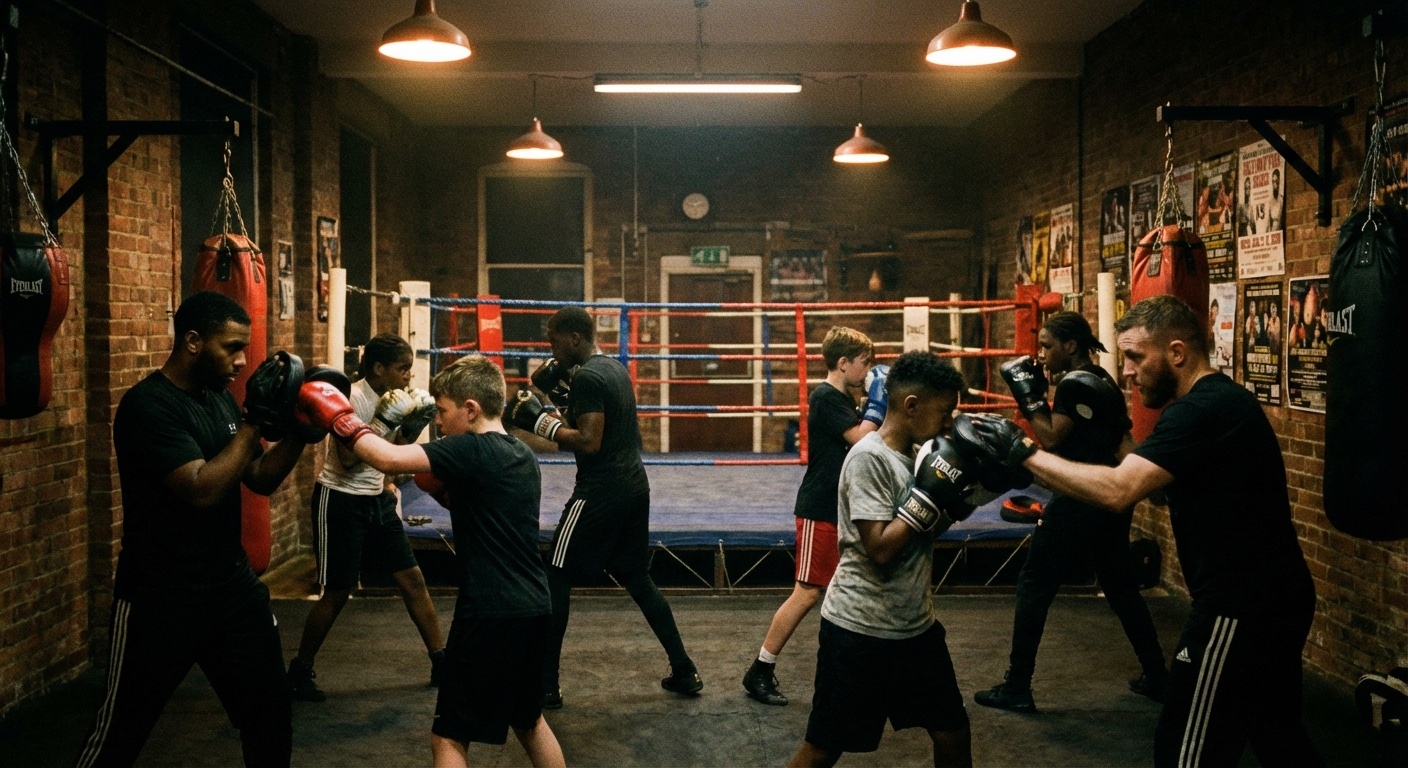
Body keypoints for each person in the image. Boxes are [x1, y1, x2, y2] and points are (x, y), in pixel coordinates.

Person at [955, 295, 1323, 767]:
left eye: (1135, 357)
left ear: (1176, 352)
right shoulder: (1211, 406)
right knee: (1279, 739)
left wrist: (1022, 451)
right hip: (1271, 596)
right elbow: (1149, 480)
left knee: (1184, 751)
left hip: (1240, 606)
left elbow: (1119, 491)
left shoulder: (1203, 410)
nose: (1126, 371)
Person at [295, 354, 565, 768]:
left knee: (449, 738)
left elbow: (386, 459)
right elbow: (480, 503)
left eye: (443, 412)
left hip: (488, 613)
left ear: (471, 409)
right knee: (528, 721)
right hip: (533, 606)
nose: (438, 422)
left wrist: (339, 415)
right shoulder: (521, 455)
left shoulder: (470, 449)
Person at [75, 291, 308, 767]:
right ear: (194, 341)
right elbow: (201, 488)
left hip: (231, 592)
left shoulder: (219, 400)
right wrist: (253, 424)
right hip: (160, 598)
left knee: (270, 715)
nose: (242, 361)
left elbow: (258, 479)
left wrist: (301, 432)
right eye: (231, 347)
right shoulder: (149, 407)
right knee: (120, 734)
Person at [973, 312, 1166, 713]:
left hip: (1079, 497)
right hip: (1110, 494)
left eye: (1046, 346)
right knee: (1120, 586)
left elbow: (1050, 438)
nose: (1040, 354)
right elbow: (1117, 434)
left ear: (1070, 346)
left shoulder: (1075, 384)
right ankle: (1158, 675)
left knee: (1034, 584)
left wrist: (1029, 398)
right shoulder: (1102, 378)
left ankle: (1017, 685)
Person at [789, 351, 975, 768]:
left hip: (914, 626)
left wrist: (964, 500)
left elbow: (923, 532)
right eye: (944, 411)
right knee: (824, 747)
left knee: (952, 729)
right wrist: (928, 497)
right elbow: (881, 548)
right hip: (859, 632)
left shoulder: (917, 456)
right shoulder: (869, 458)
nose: (948, 422)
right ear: (911, 405)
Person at [510, 305, 701, 708]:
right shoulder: (612, 370)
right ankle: (684, 669)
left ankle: (546, 684)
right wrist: (560, 396)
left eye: (554, 340)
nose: (550, 348)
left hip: (600, 491)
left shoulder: (591, 377)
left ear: (574, 338)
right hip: (634, 487)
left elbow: (589, 440)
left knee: (556, 576)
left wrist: (539, 423)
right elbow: (589, 419)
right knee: (635, 577)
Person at [286, 333, 445, 702]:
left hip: (377, 498)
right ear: (378, 368)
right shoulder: (352, 398)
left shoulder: (398, 398)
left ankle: (441, 660)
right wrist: (382, 422)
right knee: (339, 591)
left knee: (413, 579)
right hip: (340, 499)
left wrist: (411, 427)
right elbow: (348, 459)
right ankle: (299, 669)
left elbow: (396, 453)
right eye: (402, 369)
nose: (408, 376)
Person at [742, 327, 882, 706]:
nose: (868, 369)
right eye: (864, 362)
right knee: (807, 593)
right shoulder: (825, 397)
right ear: (843, 363)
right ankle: (761, 668)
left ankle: (861, 671)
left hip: (842, 509)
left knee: (855, 589)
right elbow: (861, 438)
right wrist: (879, 404)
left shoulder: (843, 398)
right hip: (819, 508)